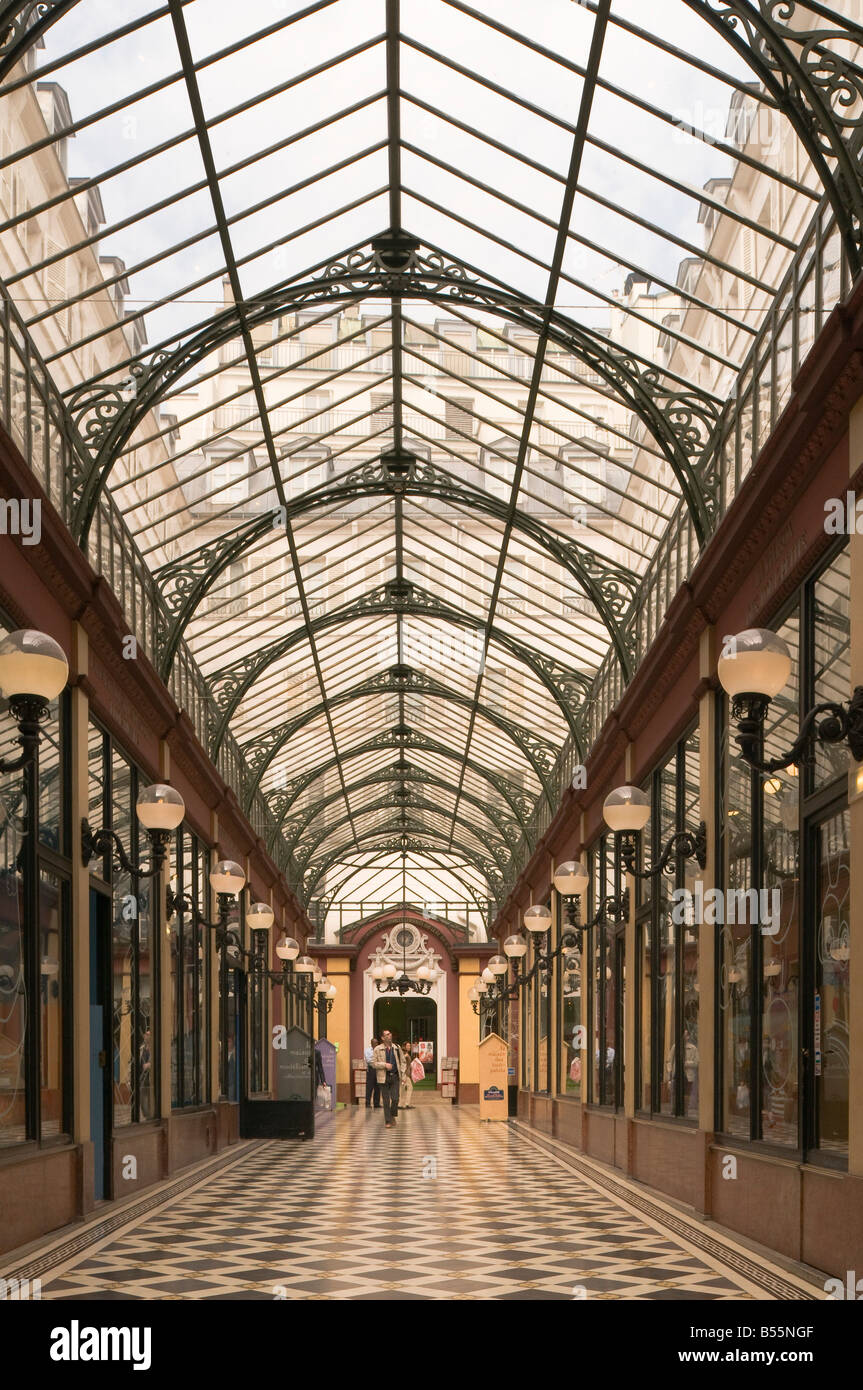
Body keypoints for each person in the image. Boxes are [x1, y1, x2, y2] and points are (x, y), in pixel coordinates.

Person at [373, 1029, 406, 1128]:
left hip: (395, 1076)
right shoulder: (377, 1049)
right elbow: (373, 1064)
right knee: (386, 1101)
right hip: (383, 1077)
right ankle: (387, 1121)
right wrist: (384, 1065)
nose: (390, 1035)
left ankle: (392, 1115)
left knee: (395, 1099)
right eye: (387, 1034)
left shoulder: (397, 1048)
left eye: (390, 1034)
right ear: (383, 1038)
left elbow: (403, 1062)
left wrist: (403, 1074)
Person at [364, 1035, 380, 1109]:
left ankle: (376, 1103)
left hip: (378, 1069)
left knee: (378, 1087)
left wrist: (375, 1060)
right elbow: (368, 1060)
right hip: (371, 1070)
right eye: (374, 1043)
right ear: (371, 1043)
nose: (376, 1044)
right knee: (369, 1087)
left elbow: (381, 1059)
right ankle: (367, 1103)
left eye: (377, 1043)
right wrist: (376, 1060)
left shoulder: (379, 1050)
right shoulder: (367, 1050)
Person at [399, 1040, 414, 1110]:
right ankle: (403, 1104)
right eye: (408, 1046)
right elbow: (401, 1061)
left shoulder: (407, 1053)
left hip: (406, 1074)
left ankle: (403, 1104)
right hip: (404, 1074)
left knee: (403, 1088)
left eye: (410, 1045)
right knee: (405, 1088)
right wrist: (405, 1056)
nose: (409, 1047)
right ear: (404, 1046)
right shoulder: (403, 1053)